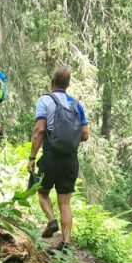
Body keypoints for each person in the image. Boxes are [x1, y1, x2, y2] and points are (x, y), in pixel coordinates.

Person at [28, 67, 88, 251]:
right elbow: (85, 135)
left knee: (43, 192)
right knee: (65, 203)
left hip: (51, 156)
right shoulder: (76, 105)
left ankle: (51, 221)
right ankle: (67, 242)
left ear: (52, 82)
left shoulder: (45, 100)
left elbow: (39, 130)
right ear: (68, 85)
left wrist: (32, 157)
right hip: (70, 159)